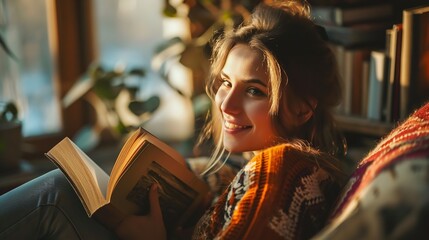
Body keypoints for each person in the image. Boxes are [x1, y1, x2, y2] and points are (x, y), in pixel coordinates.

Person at [0, 1, 348, 239]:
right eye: (226, 82)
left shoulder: (283, 169)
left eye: (255, 91)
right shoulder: (273, 167)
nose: (226, 103)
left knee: (57, 194)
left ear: (303, 109)